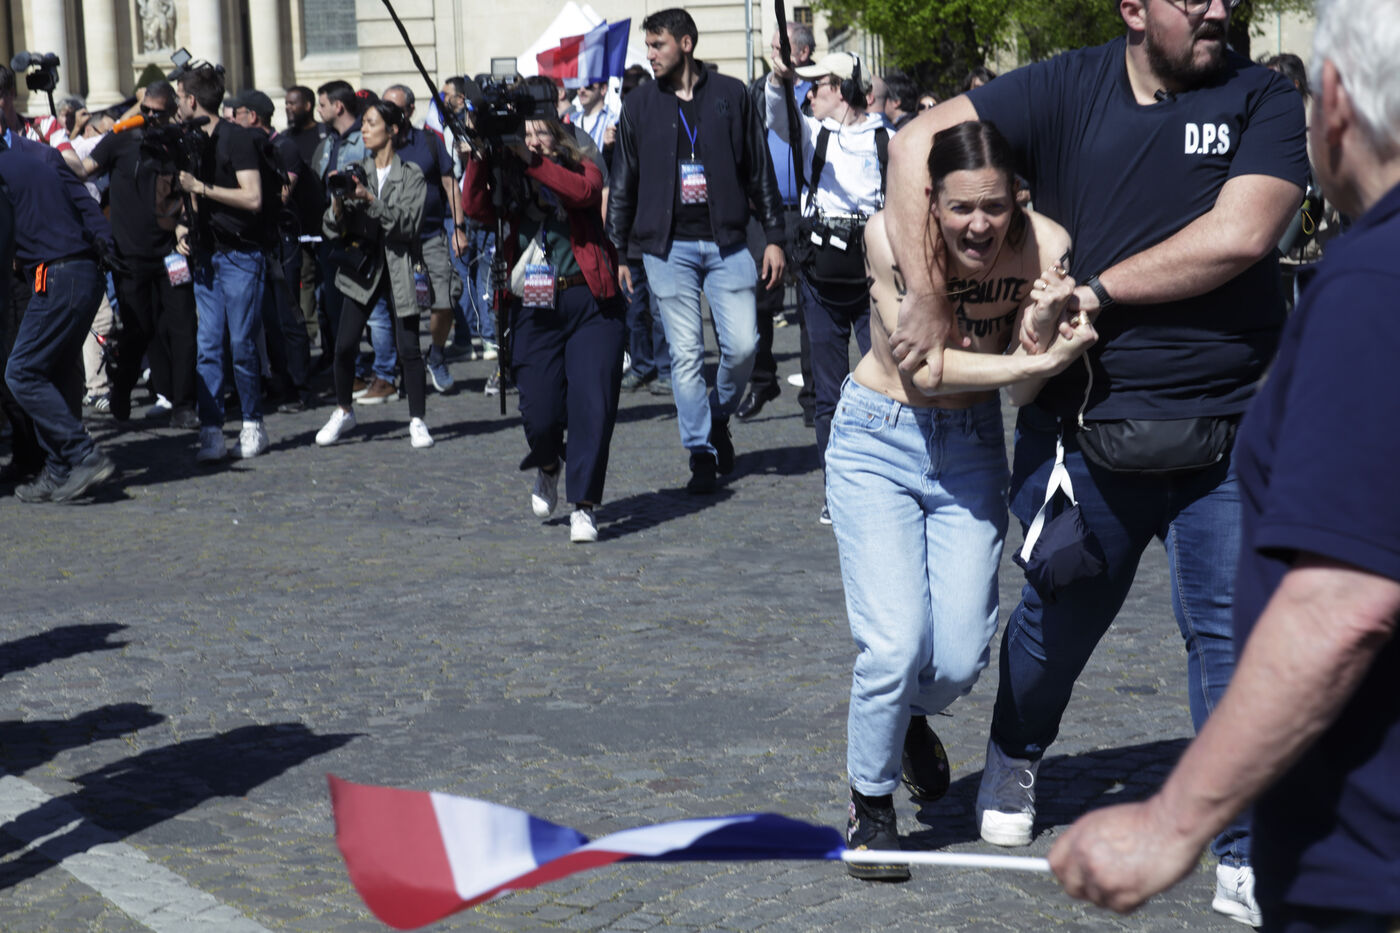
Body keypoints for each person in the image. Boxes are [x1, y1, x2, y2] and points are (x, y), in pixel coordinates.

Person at [882, 0, 1308, 922]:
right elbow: (915, 143)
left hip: (1231, 428)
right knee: (1054, 625)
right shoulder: (1065, 86)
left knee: (1231, 637)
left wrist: (1100, 290)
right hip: (1085, 427)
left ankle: (1243, 846)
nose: (1216, 9)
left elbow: (1243, 233)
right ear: (1133, 9)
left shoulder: (1262, 96)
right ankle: (1015, 751)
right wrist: (925, 293)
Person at [1050, 3, 1400, 930]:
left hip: (1369, 869)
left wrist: (1171, 821)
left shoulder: (1373, 286)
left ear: (1333, 101)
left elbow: (1343, 602)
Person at [835, 120, 1096, 879]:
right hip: (878, 439)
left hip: (973, 445)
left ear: (1018, 196)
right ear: (931, 201)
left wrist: (1041, 331)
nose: (978, 226)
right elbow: (925, 370)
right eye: (960, 208)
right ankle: (869, 807)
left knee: (956, 657)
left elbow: (1023, 390)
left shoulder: (1047, 246)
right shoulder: (889, 240)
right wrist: (1036, 360)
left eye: (994, 206)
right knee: (893, 645)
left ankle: (908, 716)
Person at [608, 8, 786, 494]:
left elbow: (759, 170)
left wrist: (774, 236)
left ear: (685, 44)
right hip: (666, 249)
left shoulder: (732, 94)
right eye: (648, 46)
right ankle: (700, 451)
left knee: (744, 347)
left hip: (729, 242)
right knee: (686, 356)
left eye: (658, 45)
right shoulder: (639, 104)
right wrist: (619, 250)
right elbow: (623, 180)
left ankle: (717, 415)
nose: (650, 54)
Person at [463, 114, 626, 543]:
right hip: (534, 308)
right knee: (540, 413)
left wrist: (531, 161)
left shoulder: (581, 166)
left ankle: (584, 506)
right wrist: (480, 157)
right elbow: (474, 208)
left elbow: (584, 192)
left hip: (590, 302)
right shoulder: (509, 175)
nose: (532, 141)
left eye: (541, 133)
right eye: (525, 134)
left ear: (559, 137)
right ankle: (549, 463)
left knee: (593, 404)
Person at [766, 50, 889, 521]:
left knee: (885, 383)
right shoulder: (811, 133)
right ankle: (835, 489)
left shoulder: (887, 140)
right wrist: (778, 81)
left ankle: (883, 481)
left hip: (874, 279)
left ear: (839, 89)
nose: (808, 94)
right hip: (820, 279)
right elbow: (778, 116)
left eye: (815, 87)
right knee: (828, 394)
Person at [0, 64, 118, 502]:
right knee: (59, 371)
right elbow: (86, 205)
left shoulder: (18, 161)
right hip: (81, 271)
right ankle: (58, 468)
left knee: (23, 371)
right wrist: (106, 248)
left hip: (58, 274)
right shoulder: (43, 153)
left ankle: (82, 454)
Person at [314, 99, 433, 451]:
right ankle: (343, 411)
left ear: (392, 130)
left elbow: (407, 225)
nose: (363, 130)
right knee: (344, 346)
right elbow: (332, 229)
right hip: (362, 267)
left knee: (409, 348)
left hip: (400, 266)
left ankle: (417, 420)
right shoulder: (355, 171)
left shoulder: (410, 174)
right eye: (363, 123)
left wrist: (368, 199)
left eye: (371, 123)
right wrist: (338, 203)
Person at [81, 80, 199, 429]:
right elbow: (85, 169)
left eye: (156, 113)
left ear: (171, 112)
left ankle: (184, 404)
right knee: (138, 329)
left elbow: (190, 191)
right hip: (129, 256)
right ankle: (122, 387)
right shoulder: (120, 140)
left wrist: (184, 225)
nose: (149, 117)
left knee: (183, 328)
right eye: (145, 109)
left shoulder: (178, 144)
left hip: (171, 255)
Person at [174, 64, 272, 464]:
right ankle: (211, 429)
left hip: (241, 255)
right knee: (208, 346)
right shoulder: (190, 139)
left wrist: (201, 187)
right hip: (206, 255)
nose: (177, 104)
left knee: (242, 344)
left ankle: (253, 425)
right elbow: (193, 199)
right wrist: (184, 225)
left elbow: (253, 198)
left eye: (179, 97)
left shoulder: (237, 138)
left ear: (192, 100)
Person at [736, 23, 816, 424]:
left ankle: (814, 394)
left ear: (801, 54)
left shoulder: (820, 90)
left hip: (807, 209)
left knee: (810, 302)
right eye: (771, 49)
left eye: (778, 49)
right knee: (759, 298)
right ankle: (762, 379)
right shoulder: (758, 91)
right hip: (766, 212)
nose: (772, 55)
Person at [231, 89, 316, 412]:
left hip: (283, 242)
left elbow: (282, 195)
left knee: (288, 316)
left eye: (237, 114)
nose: (233, 121)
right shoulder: (248, 147)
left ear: (252, 116)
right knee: (267, 319)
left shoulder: (284, 147)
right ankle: (278, 381)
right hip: (258, 241)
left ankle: (300, 387)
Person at [381, 84, 466, 396]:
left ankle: (437, 354)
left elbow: (450, 184)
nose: (389, 114)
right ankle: (410, 367)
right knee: (405, 309)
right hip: (396, 243)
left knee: (445, 299)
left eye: (395, 108)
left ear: (410, 110)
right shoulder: (379, 146)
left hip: (431, 237)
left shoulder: (429, 141)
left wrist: (459, 228)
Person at [283, 85, 329, 355]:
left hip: (327, 225)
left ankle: (332, 346)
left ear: (308, 105)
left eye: (293, 103)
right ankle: (311, 340)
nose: (288, 108)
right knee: (305, 285)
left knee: (330, 287)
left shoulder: (325, 136)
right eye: (286, 103)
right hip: (300, 227)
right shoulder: (286, 139)